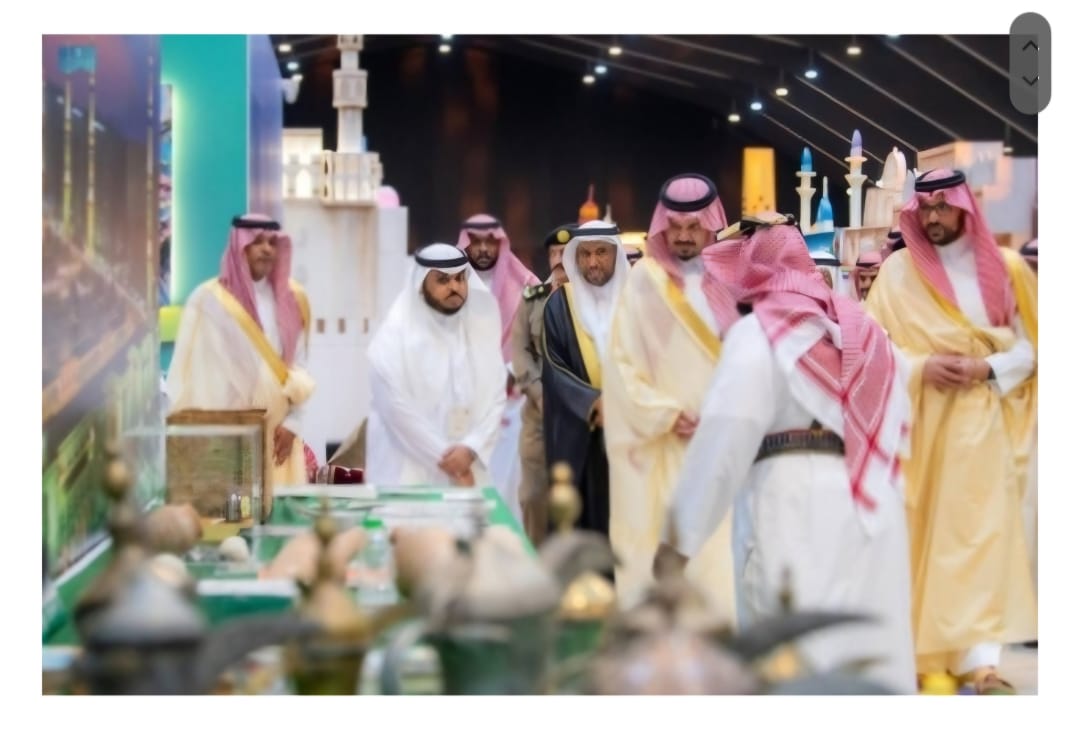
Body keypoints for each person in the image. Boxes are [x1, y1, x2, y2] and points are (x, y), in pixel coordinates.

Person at [654, 220, 918, 694]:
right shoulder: (869, 333)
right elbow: (902, 422)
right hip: (875, 506)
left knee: (797, 664)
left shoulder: (759, 335)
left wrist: (676, 544)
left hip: (794, 505)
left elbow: (722, 443)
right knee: (868, 665)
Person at [864, 169, 1037, 694]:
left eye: (944, 207)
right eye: (926, 208)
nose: (934, 217)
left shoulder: (1005, 270)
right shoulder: (895, 273)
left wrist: (986, 368)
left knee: (975, 535)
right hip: (911, 421)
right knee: (916, 535)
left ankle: (981, 664)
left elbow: (1033, 348)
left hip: (975, 423)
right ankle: (920, 655)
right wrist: (920, 368)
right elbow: (871, 346)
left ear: (965, 207)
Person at [603, 174, 737, 614]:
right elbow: (620, 366)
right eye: (675, 227)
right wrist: (665, 415)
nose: (682, 236)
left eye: (693, 227)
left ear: (711, 224)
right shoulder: (645, 281)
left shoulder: (734, 278)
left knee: (720, 562)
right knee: (663, 555)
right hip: (664, 447)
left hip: (725, 446)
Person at [166, 214, 313, 485]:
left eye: (272, 242)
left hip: (278, 437)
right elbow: (192, 377)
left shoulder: (292, 300)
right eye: (257, 241)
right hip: (227, 438)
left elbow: (299, 368)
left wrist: (294, 423)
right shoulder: (208, 301)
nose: (266, 249)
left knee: (278, 508)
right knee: (234, 509)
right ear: (239, 246)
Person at [364, 243, 506, 488]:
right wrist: (447, 460)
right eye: (442, 280)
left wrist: (471, 449)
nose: (455, 287)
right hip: (408, 471)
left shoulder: (479, 333)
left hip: (469, 468)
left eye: (460, 279)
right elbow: (396, 411)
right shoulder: (392, 338)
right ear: (420, 284)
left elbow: (497, 397)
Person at [541, 221, 630, 536]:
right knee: (584, 524)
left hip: (632, 431)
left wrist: (625, 403)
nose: (593, 262)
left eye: (601, 252)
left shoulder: (638, 301)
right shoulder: (558, 305)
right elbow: (553, 368)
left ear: (616, 254)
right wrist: (592, 403)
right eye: (585, 254)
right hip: (581, 433)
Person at [457, 214, 541, 517]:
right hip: (463, 401)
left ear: (501, 243)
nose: (482, 249)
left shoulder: (528, 285)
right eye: (476, 242)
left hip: (511, 403)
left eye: (489, 242)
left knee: (507, 482)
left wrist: (511, 373)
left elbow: (539, 343)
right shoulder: (450, 285)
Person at [510, 223, 574, 545]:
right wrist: (538, 393)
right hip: (539, 413)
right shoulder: (533, 299)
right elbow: (520, 350)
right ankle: (536, 556)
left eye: (565, 252)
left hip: (580, 415)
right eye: (554, 253)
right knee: (533, 494)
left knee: (575, 493)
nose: (559, 259)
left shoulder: (591, 298)